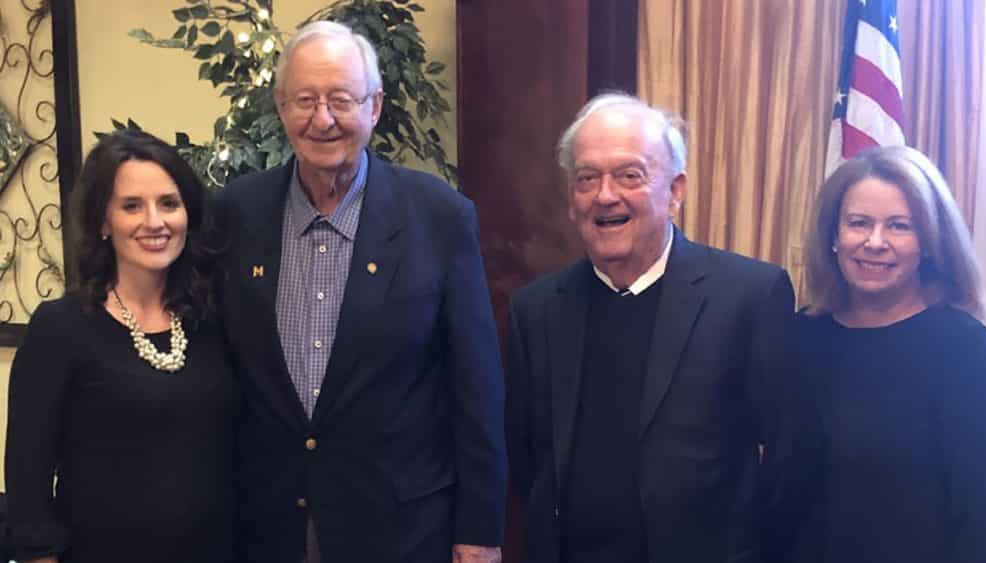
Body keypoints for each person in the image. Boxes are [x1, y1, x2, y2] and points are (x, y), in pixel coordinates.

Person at [215, 21, 506, 563]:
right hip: (266, 525)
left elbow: (476, 387)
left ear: (374, 107)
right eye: (304, 100)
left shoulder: (438, 217)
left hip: (401, 528)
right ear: (281, 108)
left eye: (341, 100)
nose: (322, 119)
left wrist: (480, 531)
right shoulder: (236, 214)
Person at [505, 92, 796, 563]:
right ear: (571, 198)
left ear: (675, 191)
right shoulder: (535, 311)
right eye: (587, 178)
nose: (605, 195)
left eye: (629, 175)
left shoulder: (750, 296)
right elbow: (527, 459)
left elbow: (785, 459)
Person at [4, 129, 238, 563]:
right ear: (102, 221)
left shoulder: (213, 322)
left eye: (169, 203)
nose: (155, 221)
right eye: (132, 206)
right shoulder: (60, 329)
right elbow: (27, 483)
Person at [790, 145, 986, 563]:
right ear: (833, 237)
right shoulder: (803, 336)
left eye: (898, 226)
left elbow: (981, 520)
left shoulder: (963, 349)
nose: (875, 242)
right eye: (858, 223)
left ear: (929, 242)